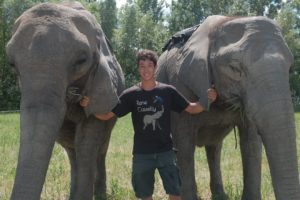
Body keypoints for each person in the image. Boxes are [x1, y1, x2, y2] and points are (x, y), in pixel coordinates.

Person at [80, 49, 217, 200]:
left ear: (156, 67)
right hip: (142, 155)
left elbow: (192, 108)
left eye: (150, 65)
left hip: (166, 153)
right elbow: (106, 115)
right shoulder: (131, 94)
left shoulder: (167, 91)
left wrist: (208, 99)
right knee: (145, 196)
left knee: (175, 194)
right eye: (142, 66)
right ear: (138, 68)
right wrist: (89, 105)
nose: (146, 70)